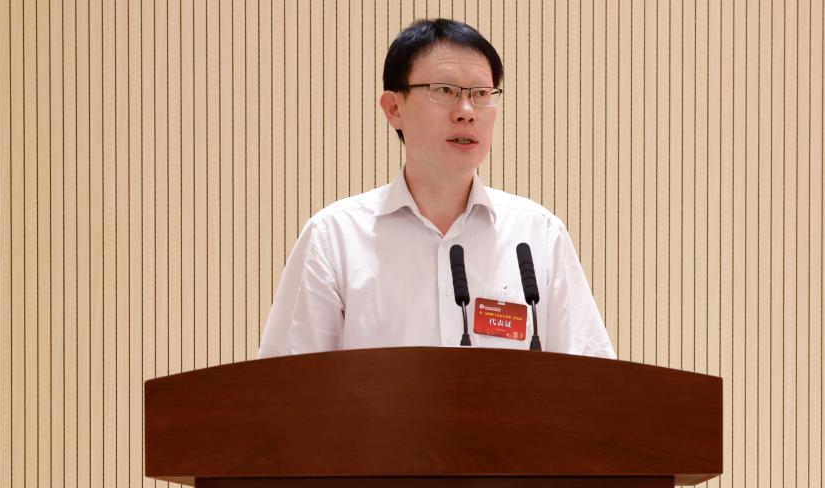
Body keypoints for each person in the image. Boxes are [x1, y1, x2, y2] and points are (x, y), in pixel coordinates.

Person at [258, 18, 615, 359]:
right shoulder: (335, 238)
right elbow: (286, 385)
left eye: (481, 93)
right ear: (394, 108)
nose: (466, 111)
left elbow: (593, 380)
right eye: (444, 91)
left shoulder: (538, 235)